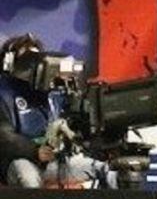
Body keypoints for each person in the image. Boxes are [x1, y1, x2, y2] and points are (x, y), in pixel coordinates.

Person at [0, 34, 114, 189]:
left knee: (107, 169)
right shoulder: (3, 92)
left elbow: (73, 125)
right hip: (19, 160)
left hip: (55, 161)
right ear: (11, 62)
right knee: (27, 177)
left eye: (36, 57)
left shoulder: (54, 92)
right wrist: (34, 151)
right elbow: (4, 136)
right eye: (27, 58)